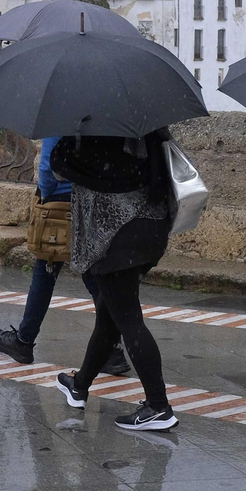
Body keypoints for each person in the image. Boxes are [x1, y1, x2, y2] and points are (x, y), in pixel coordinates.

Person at [51, 131, 178, 431]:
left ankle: (159, 406)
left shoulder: (91, 128)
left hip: (112, 235)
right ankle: (79, 386)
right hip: (150, 227)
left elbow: (59, 164)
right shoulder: (147, 122)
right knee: (110, 313)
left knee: (129, 319)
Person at [0, 138, 128, 375]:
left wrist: (45, 194)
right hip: (92, 199)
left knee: (46, 269)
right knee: (93, 275)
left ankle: (24, 341)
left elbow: (48, 164)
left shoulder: (63, 111)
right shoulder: (97, 114)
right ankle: (112, 349)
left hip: (61, 201)